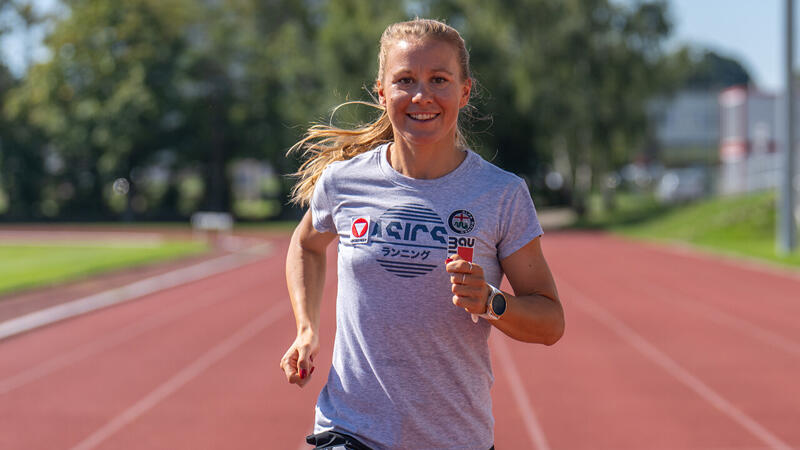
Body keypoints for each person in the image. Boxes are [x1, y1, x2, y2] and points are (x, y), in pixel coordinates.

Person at [280, 17, 564, 450]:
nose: (421, 96)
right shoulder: (343, 182)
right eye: (405, 80)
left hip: (455, 437)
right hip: (350, 429)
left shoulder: (501, 194)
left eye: (439, 80)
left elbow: (550, 322)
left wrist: (492, 302)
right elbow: (306, 244)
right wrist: (306, 328)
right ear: (382, 91)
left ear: (464, 91)